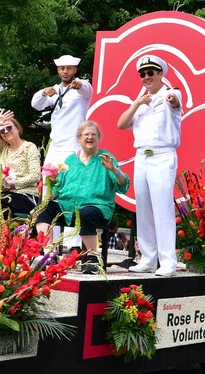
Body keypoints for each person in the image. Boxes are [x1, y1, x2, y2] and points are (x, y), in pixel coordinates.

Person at [116, 54, 182, 277]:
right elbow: (121, 124)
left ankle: (167, 262)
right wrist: (136, 103)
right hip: (141, 157)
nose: (146, 77)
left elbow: (175, 101)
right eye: (143, 74)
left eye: (151, 73)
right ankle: (147, 258)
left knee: (162, 209)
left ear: (160, 75)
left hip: (162, 155)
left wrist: (171, 96)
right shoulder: (140, 101)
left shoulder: (169, 94)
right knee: (143, 208)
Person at [35, 121, 129, 273]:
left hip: (97, 207)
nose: (90, 137)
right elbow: (58, 191)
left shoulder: (106, 158)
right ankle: (49, 254)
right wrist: (51, 182)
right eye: (86, 134)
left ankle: (93, 259)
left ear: (99, 138)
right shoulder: (70, 160)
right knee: (42, 209)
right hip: (67, 207)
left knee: (85, 213)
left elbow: (122, 185)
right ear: (79, 138)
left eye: (94, 134)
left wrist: (114, 170)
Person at [31, 54, 92, 166]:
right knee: (49, 178)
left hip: (75, 144)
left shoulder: (82, 86)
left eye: (69, 68)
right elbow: (36, 105)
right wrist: (44, 92)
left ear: (75, 69)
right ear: (58, 70)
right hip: (56, 144)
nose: (65, 71)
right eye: (62, 68)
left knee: (72, 179)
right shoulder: (55, 89)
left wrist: (79, 85)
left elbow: (86, 90)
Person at [0, 109, 42, 218]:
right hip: (4, 194)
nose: (5, 131)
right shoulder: (4, 148)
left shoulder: (29, 147)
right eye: (2, 131)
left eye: (9, 127)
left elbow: (35, 176)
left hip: (25, 195)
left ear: (18, 129)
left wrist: (13, 185)